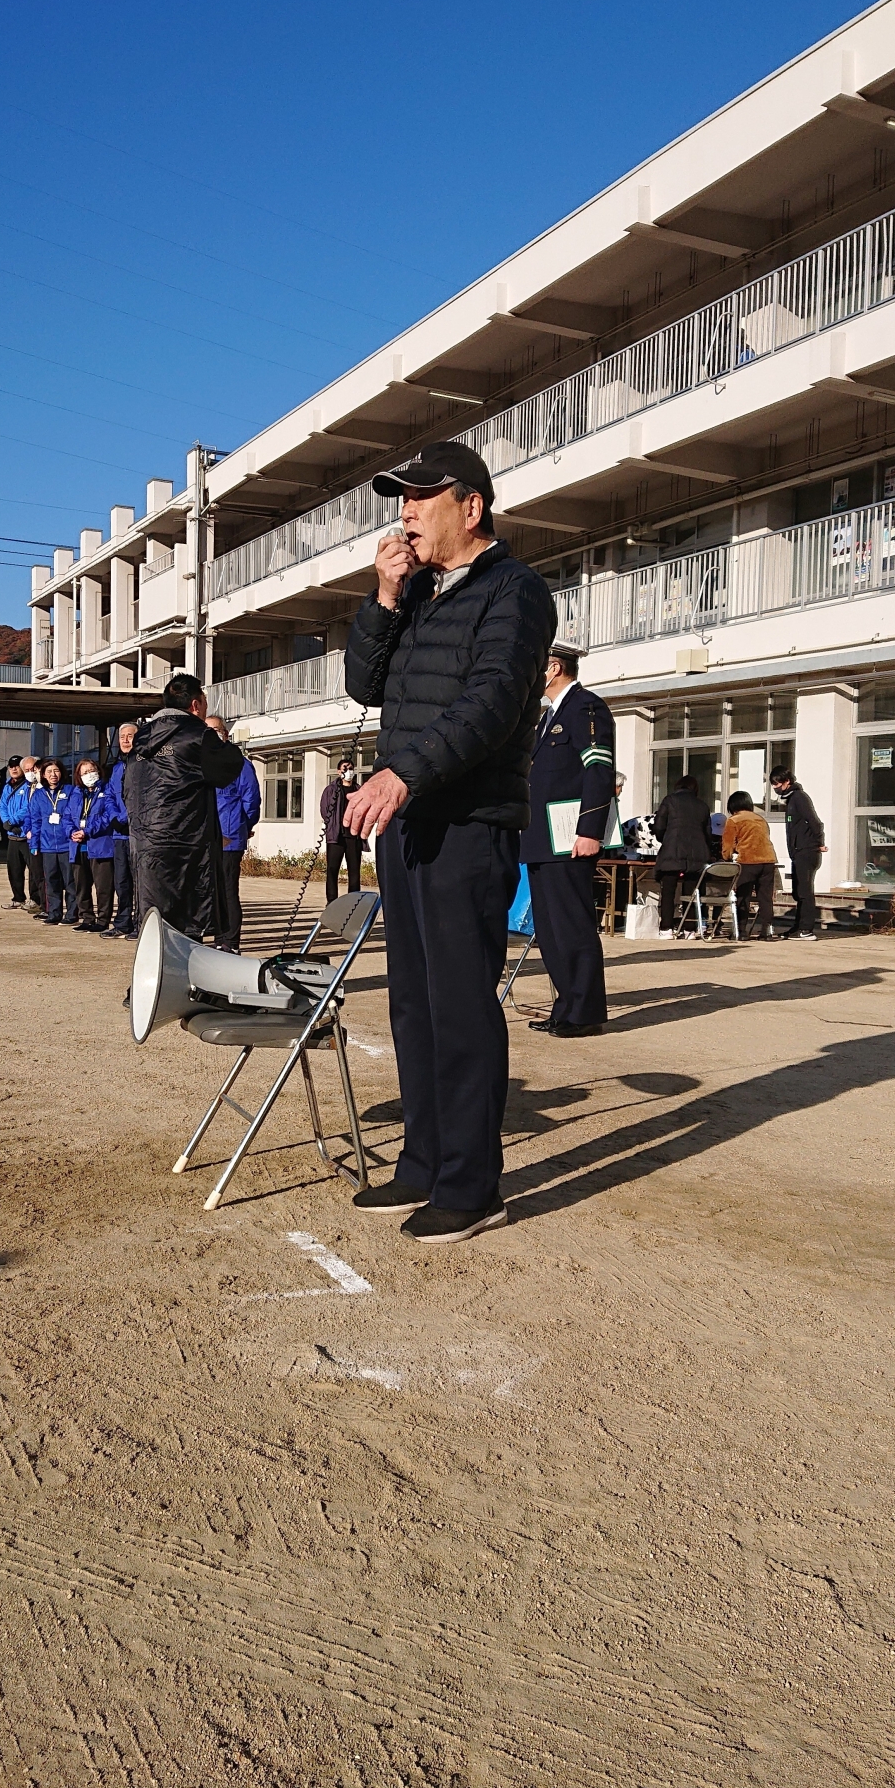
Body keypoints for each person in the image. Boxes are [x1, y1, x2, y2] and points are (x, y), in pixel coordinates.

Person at [343, 438, 555, 1246]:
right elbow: (366, 684)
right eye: (400, 498)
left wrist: (405, 775)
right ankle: (424, 1160)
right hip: (410, 823)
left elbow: (495, 699)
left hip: (467, 819)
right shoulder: (421, 591)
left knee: (462, 1001)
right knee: (411, 997)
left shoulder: (517, 590)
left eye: (421, 497)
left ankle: (473, 1183)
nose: (406, 512)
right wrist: (385, 596)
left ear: (471, 507)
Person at [520, 645, 615, 1036]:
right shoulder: (547, 717)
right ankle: (565, 1006)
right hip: (543, 839)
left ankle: (585, 1012)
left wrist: (590, 831)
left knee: (572, 927)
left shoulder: (586, 708)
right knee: (550, 930)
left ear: (553, 668)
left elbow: (598, 771)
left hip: (570, 838)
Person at [124, 674, 246, 938]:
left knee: (154, 922)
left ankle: (156, 976)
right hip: (186, 844)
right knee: (188, 923)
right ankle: (184, 977)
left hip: (145, 841)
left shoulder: (141, 739)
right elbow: (229, 767)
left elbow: (128, 788)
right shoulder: (198, 735)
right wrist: (223, 740)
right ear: (195, 704)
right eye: (204, 701)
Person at [206, 714, 260, 952]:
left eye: (216, 730)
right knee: (211, 891)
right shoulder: (200, 763)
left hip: (228, 836)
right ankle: (218, 938)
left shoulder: (240, 764)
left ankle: (231, 941)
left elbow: (252, 801)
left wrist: (243, 826)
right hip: (204, 838)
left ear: (225, 734)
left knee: (228, 890)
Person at [769, 765, 825, 940]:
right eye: (772, 784)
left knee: (805, 891)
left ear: (787, 782)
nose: (775, 788)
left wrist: (819, 843)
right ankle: (798, 927)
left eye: (777, 784)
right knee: (798, 891)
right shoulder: (791, 800)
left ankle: (806, 929)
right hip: (798, 852)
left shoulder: (799, 798)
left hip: (806, 852)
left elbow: (815, 822)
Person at [653, 774, 713, 937]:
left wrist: (666, 839)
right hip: (697, 854)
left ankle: (666, 928)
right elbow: (708, 833)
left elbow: (658, 826)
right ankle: (689, 929)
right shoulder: (703, 806)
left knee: (668, 892)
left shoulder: (669, 800)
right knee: (692, 893)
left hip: (672, 850)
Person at [67, 757, 116, 932]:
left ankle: (103, 920)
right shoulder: (75, 793)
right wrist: (72, 832)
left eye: (91, 770)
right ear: (78, 776)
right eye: (84, 772)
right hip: (78, 846)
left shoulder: (106, 790)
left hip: (100, 845)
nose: (89, 775)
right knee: (81, 886)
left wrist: (87, 831)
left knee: (103, 887)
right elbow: (67, 816)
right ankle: (87, 917)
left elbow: (107, 817)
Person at [98, 723, 137, 939]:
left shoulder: (144, 764)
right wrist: (115, 818)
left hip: (138, 834)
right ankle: (123, 923)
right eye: (122, 736)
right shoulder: (117, 767)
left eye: (130, 736)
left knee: (140, 883)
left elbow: (142, 797)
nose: (125, 740)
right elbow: (111, 796)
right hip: (119, 835)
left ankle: (141, 923)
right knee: (121, 881)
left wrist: (125, 818)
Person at [721, 791, 778, 939]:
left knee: (743, 896)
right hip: (768, 859)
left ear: (733, 806)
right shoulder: (761, 819)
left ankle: (741, 931)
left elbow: (728, 845)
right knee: (765, 897)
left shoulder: (733, 820)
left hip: (747, 860)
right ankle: (767, 930)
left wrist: (726, 857)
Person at [29, 758, 77, 925]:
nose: (53, 775)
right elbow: (35, 821)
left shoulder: (71, 791)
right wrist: (34, 844)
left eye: (56, 771)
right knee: (51, 881)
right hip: (47, 845)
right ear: (43, 775)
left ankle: (72, 914)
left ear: (61, 772)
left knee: (70, 881)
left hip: (66, 844)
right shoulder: (38, 795)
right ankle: (54, 913)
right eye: (49, 772)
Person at [320, 756, 365, 905]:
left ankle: (353, 902)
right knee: (332, 870)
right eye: (346, 769)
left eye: (351, 769)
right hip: (336, 836)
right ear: (339, 771)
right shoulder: (331, 790)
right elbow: (324, 810)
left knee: (354, 872)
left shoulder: (359, 790)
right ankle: (331, 902)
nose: (349, 772)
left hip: (353, 836)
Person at [0, 757, 30, 908]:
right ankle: (18, 898)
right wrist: (7, 823)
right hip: (12, 835)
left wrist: (13, 821)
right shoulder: (7, 786)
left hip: (26, 835)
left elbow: (28, 806)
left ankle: (35, 900)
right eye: (11, 767)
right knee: (14, 870)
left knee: (34, 871)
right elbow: (2, 805)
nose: (14, 769)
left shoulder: (29, 785)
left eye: (17, 766)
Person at [19, 756, 46, 914]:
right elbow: (29, 813)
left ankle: (48, 906)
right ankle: (39, 902)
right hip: (32, 837)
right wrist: (27, 829)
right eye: (29, 771)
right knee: (35, 873)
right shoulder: (31, 789)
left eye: (35, 770)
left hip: (49, 839)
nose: (32, 774)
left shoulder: (52, 790)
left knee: (48, 875)